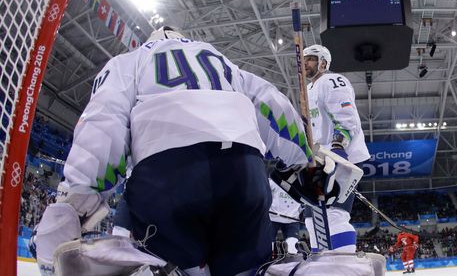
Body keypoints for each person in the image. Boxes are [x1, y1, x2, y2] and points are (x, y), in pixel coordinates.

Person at [33, 27, 341, 276]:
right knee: (244, 267)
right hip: (244, 171)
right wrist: (304, 160)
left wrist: (77, 199)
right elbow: (273, 105)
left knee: (177, 265)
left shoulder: (131, 61)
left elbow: (103, 122)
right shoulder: (220, 61)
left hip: (169, 172)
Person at [301, 44, 370, 252]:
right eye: (303, 60)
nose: (305, 63)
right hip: (319, 159)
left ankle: (343, 266)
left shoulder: (332, 81)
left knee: (334, 215)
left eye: (311, 59)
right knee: (311, 220)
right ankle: (321, 264)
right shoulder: (309, 89)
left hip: (338, 157)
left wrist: (340, 146)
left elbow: (347, 117)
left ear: (323, 62)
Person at [269, 177, 304, 254]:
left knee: (292, 246)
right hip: (272, 218)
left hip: (292, 219)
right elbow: (264, 194)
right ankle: (267, 259)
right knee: (267, 244)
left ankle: (291, 261)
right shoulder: (274, 181)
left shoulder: (303, 185)